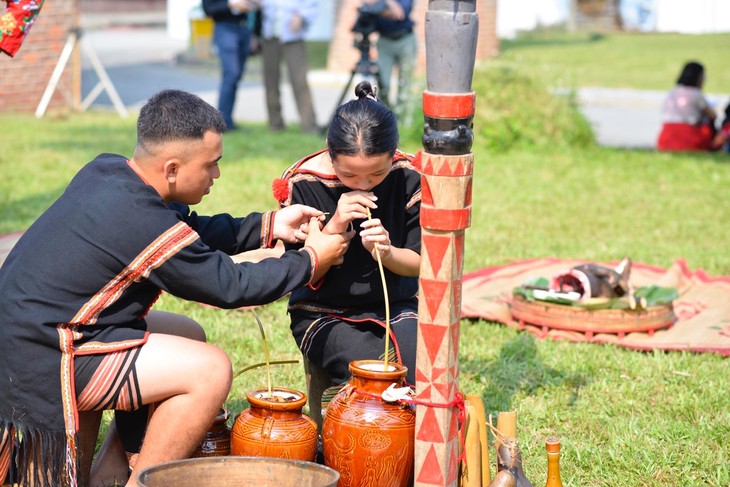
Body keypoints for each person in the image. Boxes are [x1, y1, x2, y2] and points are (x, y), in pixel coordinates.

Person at [0, 89, 350, 487]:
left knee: (188, 334)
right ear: (171, 169)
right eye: (212, 164)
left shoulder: (110, 172)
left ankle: (112, 472)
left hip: (40, 331)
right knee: (210, 370)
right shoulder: (138, 219)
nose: (217, 174)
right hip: (46, 356)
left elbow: (186, 230)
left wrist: (269, 226)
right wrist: (310, 261)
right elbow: (228, 285)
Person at [272, 81, 421, 401]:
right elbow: (303, 273)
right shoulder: (302, 182)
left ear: (392, 156)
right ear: (330, 151)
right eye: (350, 175)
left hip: (395, 306)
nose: (364, 184)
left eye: (377, 174)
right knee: (373, 368)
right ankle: (344, 443)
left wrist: (389, 252)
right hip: (321, 310)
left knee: (419, 362)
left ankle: (415, 448)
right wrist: (335, 225)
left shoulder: (408, 176)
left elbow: (422, 264)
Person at [257, 0, 319, 133]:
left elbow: (312, 5)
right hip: (270, 37)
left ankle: (309, 126)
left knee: (300, 82)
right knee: (270, 82)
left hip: (293, 38)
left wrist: (301, 16)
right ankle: (275, 124)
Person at [202, 0, 259, 131]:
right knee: (231, 74)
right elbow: (208, 9)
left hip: (244, 28)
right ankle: (221, 122)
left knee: (236, 76)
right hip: (225, 28)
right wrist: (231, 4)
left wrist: (253, 34)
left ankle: (228, 121)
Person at [363, 0, 417, 124]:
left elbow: (399, 13)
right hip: (384, 41)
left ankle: (404, 123)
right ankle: (387, 120)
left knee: (405, 84)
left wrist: (384, 4)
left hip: (405, 40)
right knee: (383, 83)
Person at [657, 61, 718, 152]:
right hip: (689, 138)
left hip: (666, 138)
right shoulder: (696, 94)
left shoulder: (672, 91)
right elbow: (712, 116)